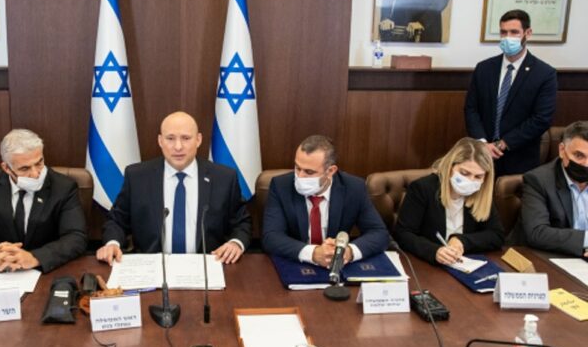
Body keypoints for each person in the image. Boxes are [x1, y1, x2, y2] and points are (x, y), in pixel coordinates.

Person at [96, 111, 251, 265]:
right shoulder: (137, 177)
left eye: (186, 138)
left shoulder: (223, 178)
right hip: (152, 269)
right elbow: (116, 221)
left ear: (198, 140)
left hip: (208, 267)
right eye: (170, 138)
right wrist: (112, 244)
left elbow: (241, 222)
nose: (178, 147)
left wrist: (235, 243)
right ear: (160, 141)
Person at [0, 129, 87, 273]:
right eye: (25, 168)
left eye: (39, 163)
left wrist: (34, 257)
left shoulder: (64, 187)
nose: (35, 174)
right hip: (1, 272)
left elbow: (76, 238)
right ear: (6, 168)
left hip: (45, 272)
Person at [261, 135, 388, 267]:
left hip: (337, 268)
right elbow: (271, 237)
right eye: (297, 168)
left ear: (330, 171)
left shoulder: (353, 188)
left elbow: (379, 234)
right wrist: (313, 253)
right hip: (297, 264)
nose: (299, 176)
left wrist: (347, 252)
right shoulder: (281, 186)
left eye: (309, 172)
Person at [464, 9, 557, 177]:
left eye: (514, 32)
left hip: (520, 159)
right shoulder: (484, 68)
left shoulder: (544, 73)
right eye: (503, 32)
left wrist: (504, 143)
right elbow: (471, 109)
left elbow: (541, 118)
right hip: (480, 156)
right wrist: (483, 143)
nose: (508, 37)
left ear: (527, 33)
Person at [394, 138, 504, 265]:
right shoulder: (423, 188)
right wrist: (435, 251)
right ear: (450, 167)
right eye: (464, 173)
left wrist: (462, 241)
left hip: (464, 265)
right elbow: (403, 234)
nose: (470, 180)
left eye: (478, 176)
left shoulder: (481, 194)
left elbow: (497, 236)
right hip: (428, 266)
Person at [517, 121, 588, 258]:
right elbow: (537, 233)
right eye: (579, 156)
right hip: (548, 259)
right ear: (562, 150)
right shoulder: (538, 180)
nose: (586, 164)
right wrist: (585, 240)